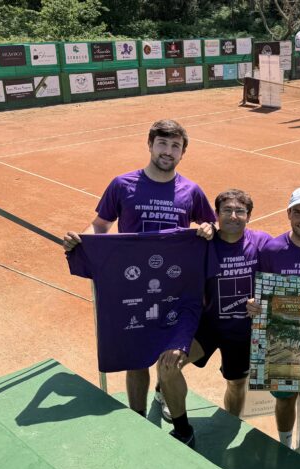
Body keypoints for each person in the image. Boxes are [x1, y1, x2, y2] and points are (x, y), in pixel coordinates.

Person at [63, 119, 216, 448]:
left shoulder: (191, 191)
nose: (168, 151)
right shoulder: (122, 185)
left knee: (170, 360)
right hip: (132, 289)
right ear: (150, 145)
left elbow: (209, 224)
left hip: (175, 291)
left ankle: (182, 428)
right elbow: (101, 225)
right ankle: (137, 419)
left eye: (175, 146)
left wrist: (207, 229)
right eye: (163, 144)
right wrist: (83, 242)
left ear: (183, 152)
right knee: (135, 360)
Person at [245, 187, 300, 458]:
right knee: (283, 399)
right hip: (278, 339)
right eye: (297, 212)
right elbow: (260, 291)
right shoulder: (273, 249)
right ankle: (284, 446)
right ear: (289, 214)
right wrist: (254, 305)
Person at [191, 189, 271, 417]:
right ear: (216, 214)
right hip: (207, 325)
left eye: (240, 211)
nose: (233, 216)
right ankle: (162, 390)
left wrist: (263, 299)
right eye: (227, 210)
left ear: (249, 216)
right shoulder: (203, 242)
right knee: (171, 363)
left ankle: (230, 421)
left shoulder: (262, 242)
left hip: (242, 332)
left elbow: (286, 261)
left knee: (236, 384)